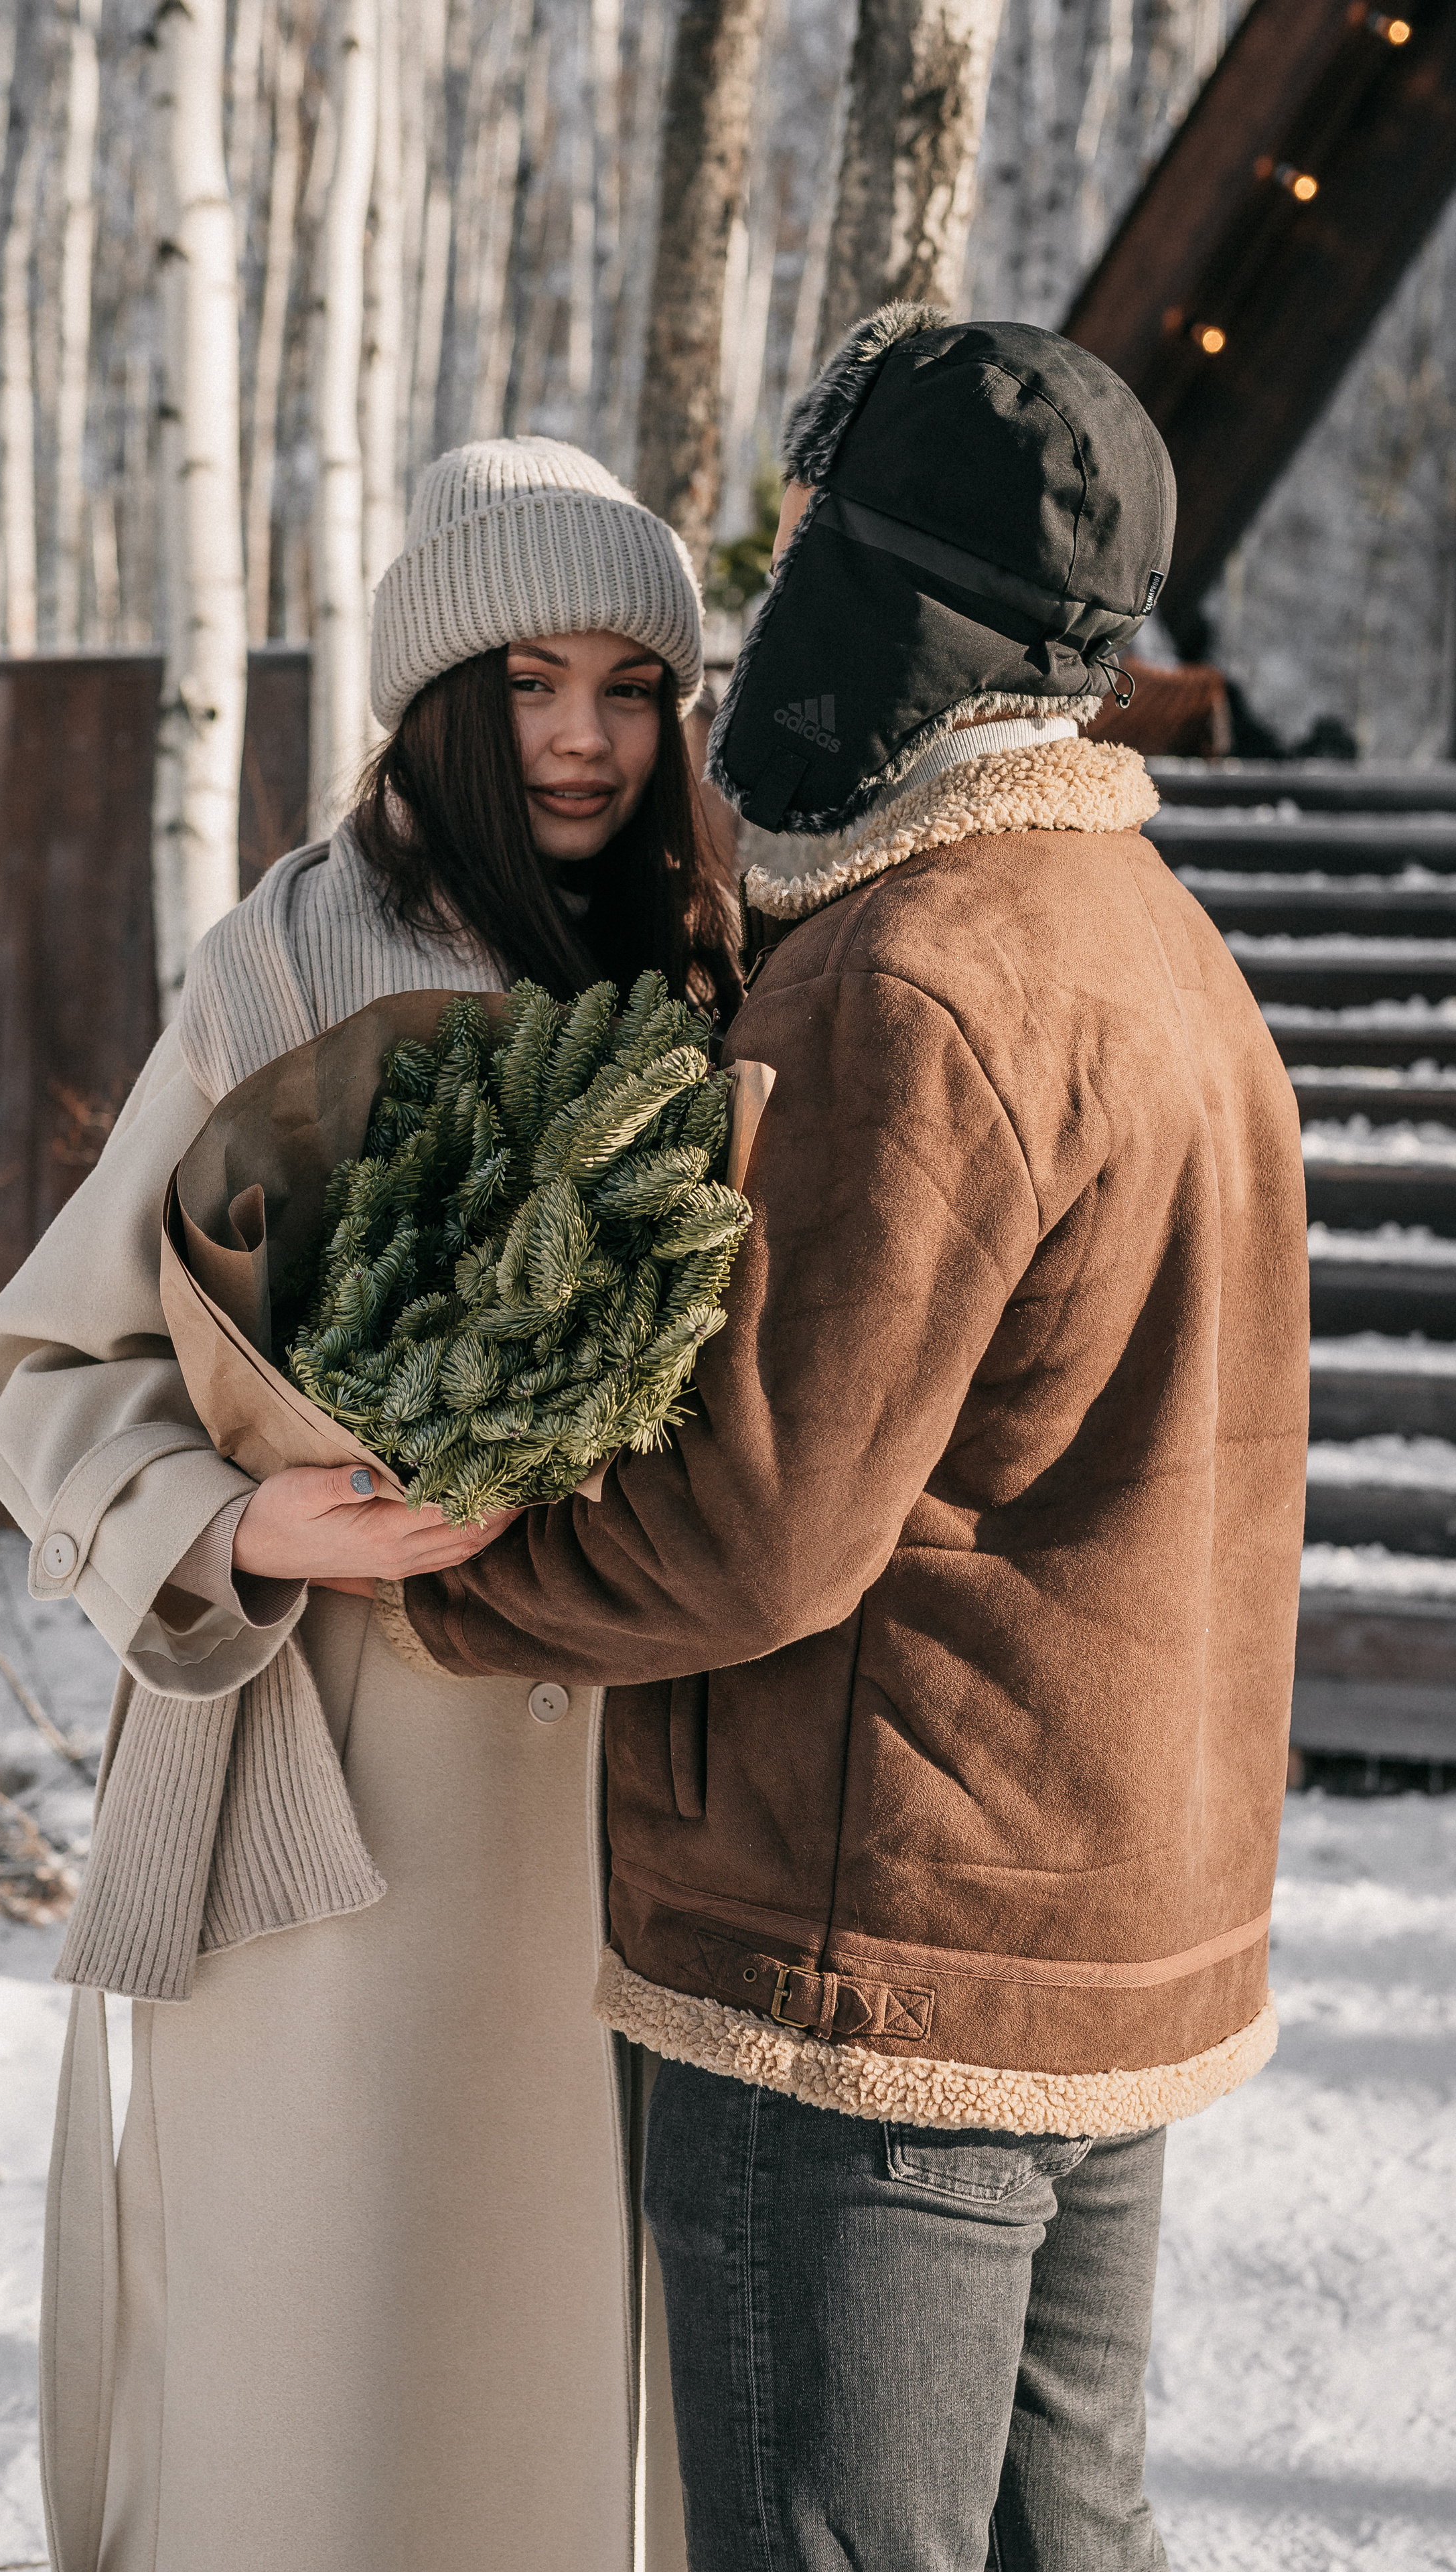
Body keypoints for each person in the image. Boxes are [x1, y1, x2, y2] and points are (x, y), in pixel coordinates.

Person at [396, 310, 1309, 2571]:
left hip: (863, 1965)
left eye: (806, 546)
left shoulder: (918, 975)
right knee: (1056, 2541)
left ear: (890, 599)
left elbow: (758, 1528)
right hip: (1102, 1935)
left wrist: (436, 1563)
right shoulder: (1163, 946)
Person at [0, 435, 738, 2572]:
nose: (583, 737)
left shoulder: (713, 969)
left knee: (575, 2402)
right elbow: (37, 1370)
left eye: (631, 684)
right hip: (354, 1806)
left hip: (636, 1815)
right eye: (525, 681)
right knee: (337, 2389)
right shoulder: (284, 968)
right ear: (432, 703)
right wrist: (244, 1527)